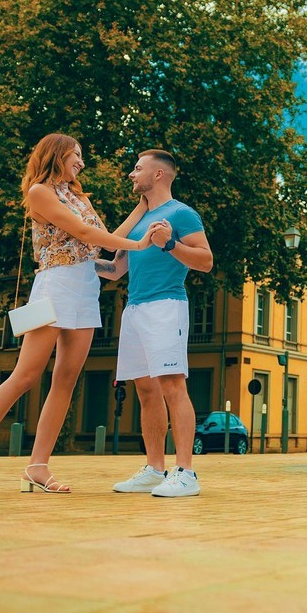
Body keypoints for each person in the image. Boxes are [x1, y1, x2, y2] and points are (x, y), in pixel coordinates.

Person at [0, 133, 168, 494]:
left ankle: (38, 465)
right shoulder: (40, 192)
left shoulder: (78, 196)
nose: (81, 162)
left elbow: (105, 236)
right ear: (57, 154)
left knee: (65, 381)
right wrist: (140, 244)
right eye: (76, 155)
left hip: (85, 287)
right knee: (25, 376)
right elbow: (83, 232)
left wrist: (144, 208)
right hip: (54, 287)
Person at [97, 149, 213, 497]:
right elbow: (115, 270)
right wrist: (71, 267)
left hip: (166, 306)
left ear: (159, 174)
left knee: (172, 385)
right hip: (134, 309)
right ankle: (154, 469)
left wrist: (171, 244)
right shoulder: (136, 222)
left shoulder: (181, 213)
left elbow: (205, 261)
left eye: (137, 168)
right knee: (145, 391)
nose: (131, 174)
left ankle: (186, 473)